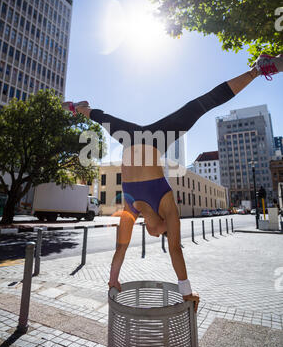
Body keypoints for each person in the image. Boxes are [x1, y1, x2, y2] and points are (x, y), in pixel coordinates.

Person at [63, 54, 283, 312]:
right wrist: (186, 291)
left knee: (101, 118)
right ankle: (258, 69)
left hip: (131, 138)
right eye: (160, 234)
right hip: (157, 139)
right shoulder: (167, 206)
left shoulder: (130, 210)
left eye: (153, 233)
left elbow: (120, 250)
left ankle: (82, 108)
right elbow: (176, 249)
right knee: (199, 105)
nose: (154, 234)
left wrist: (112, 279)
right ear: (165, 225)